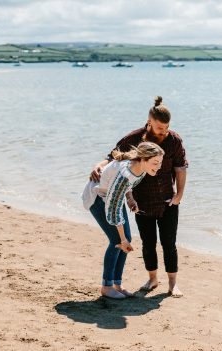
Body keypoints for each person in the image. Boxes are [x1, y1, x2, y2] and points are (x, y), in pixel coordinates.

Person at [90, 96, 188, 297]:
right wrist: (98, 165)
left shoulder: (174, 140)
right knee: (147, 243)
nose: (164, 131)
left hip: (168, 201)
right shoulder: (135, 139)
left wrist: (179, 194)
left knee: (169, 243)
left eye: (167, 126)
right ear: (150, 121)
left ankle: (172, 284)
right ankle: (152, 279)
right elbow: (114, 157)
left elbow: (180, 168)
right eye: (160, 127)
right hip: (141, 201)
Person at [83, 142, 164, 299]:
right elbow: (113, 208)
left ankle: (117, 284)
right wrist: (122, 239)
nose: (158, 166)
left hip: (112, 197)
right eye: (155, 162)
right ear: (144, 159)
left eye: (160, 162)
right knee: (117, 241)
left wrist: (130, 198)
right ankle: (107, 287)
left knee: (125, 239)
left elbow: (128, 186)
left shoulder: (141, 168)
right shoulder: (125, 174)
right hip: (97, 197)